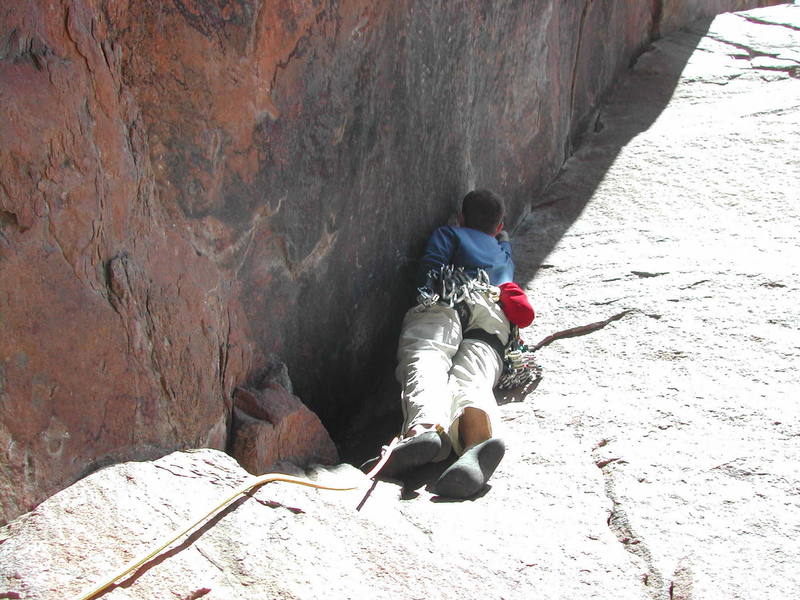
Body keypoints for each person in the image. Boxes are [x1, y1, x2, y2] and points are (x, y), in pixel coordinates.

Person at [377, 189, 534, 498]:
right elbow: (504, 249)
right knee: (474, 374)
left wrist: (425, 296)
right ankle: (477, 442)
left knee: (427, 354)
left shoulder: (450, 233)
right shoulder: (502, 252)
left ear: (461, 218)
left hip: (450, 295)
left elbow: (431, 265)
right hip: (494, 315)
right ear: (500, 225)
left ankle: (425, 429)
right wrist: (502, 239)